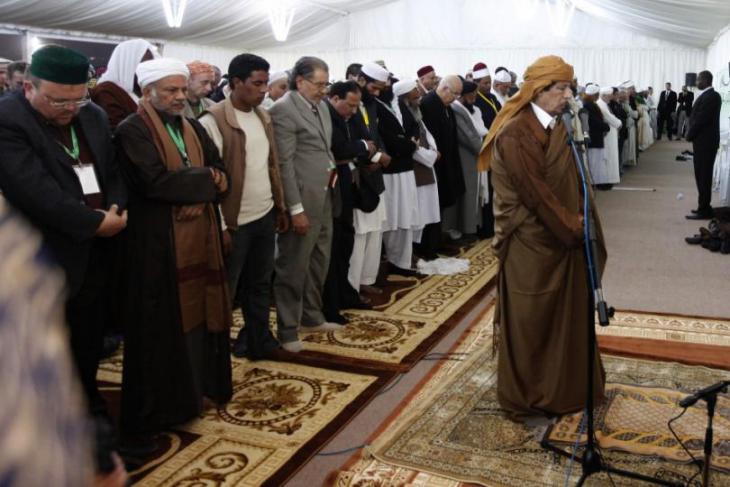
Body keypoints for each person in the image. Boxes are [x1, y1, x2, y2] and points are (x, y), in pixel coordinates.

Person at [0, 44, 128, 424]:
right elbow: (34, 191)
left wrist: (117, 209)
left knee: (87, 339)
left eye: (77, 99)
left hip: (94, 253)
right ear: (29, 88)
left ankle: (88, 410)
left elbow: (113, 168)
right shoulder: (8, 120)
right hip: (41, 256)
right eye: (58, 101)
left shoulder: (93, 115)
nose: (69, 109)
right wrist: (94, 223)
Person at [478, 55, 606, 422]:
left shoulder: (559, 125)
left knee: (564, 314)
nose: (568, 95)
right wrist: (573, 228)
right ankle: (531, 395)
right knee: (533, 319)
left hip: (562, 232)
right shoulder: (517, 132)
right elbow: (535, 194)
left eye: (569, 87)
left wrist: (579, 221)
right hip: (530, 242)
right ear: (538, 89)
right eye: (560, 88)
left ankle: (566, 386)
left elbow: (571, 180)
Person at [115, 58, 232, 436]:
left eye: (183, 89)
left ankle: (201, 388)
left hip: (200, 235)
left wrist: (199, 184)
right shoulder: (132, 131)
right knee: (166, 325)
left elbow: (221, 171)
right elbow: (154, 182)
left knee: (202, 316)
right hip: (158, 245)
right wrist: (202, 183)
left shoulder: (193, 126)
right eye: (171, 90)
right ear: (148, 93)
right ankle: (169, 405)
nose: (181, 97)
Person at [198, 53, 289, 360]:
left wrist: (280, 207)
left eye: (266, 83)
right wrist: (222, 226)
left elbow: (271, 165)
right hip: (233, 222)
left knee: (261, 284)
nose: (264, 90)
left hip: (263, 215)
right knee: (226, 291)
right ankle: (215, 357)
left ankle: (257, 341)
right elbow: (211, 182)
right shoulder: (213, 120)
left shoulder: (263, 115)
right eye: (257, 83)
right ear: (236, 82)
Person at [270, 56, 340, 353]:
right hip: (301, 199)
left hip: (324, 194)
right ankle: (287, 329)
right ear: (300, 81)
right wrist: (294, 208)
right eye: (319, 84)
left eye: (327, 84)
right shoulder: (283, 110)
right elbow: (283, 164)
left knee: (319, 260)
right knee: (293, 265)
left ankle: (312, 315)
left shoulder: (322, 106)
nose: (324, 90)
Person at [324, 80, 376, 320]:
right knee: (334, 247)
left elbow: (366, 142)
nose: (354, 112)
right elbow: (340, 148)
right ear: (335, 99)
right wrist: (362, 146)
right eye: (350, 106)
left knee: (346, 242)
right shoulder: (327, 115)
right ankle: (330, 304)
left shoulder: (349, 115)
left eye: (357, 107)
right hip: (332, 186)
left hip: (348, 183)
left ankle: (346, 294)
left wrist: (361, 146)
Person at [350, 62, 390, 294]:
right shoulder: (347, 101)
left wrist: (382, 155)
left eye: (380, 90)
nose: (376, 94)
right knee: (360, 233)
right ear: (362, 81)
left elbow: (376, 134)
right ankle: (353, 285)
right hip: (359, 176)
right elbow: (349, 140)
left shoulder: (373, 104)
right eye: (374, 88)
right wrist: (375, 159)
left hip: (375, 177)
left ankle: (367, 278)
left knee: (375, 231)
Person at [377, 76, 420, 273]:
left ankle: (402, 260)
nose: (385, 87)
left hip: (406, 169)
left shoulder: (400, 104)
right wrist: (409, 144)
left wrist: (408, 142)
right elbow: (387, 138)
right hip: (389, 172)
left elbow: (413, 129)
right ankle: (391, 259)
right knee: (391, 217)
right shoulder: (376, 106)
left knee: (405, 215)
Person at [396, 79, 441, 261]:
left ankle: (427, 249)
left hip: (427, 168)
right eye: (416, 93)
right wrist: (431, 156)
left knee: (427, 211)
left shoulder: (416, 113)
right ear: (406, 96)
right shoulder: (403, 116)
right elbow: (411, 146)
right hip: (416, 169)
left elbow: (427, 136)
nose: (419, 96)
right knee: (418, 214)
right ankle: (415, 251)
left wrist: (434, 151)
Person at [421, 75, 466, 242]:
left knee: (440, 206)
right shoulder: (429, 104)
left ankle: (436, 242)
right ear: (445, 88)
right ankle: (429, 245)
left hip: (445, 164)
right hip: (434, 166)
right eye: (455, 94)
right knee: (432, 207)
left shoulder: (445, 105)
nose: (456, 98)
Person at [92, 38, 157, 129]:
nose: (147, 70)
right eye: (143, 65)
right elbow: (117, 130)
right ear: (127, 63)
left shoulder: (140, 89)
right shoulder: (105, 91)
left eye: (150, 65)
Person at [451, 79, 486, 239]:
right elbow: (467, 135)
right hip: (466, 157)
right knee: (469, 194)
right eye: (471, 95)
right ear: (463, 95)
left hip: (473, 157)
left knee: (474, 194)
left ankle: (473, 226)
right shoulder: (457, 109)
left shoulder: (468, 108)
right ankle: (468, 229)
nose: (474, 98)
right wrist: (483, 149)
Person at [685, 70, 722, 220]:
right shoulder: (706, 95)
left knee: (704, 176)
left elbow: (701, 119)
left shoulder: (713, 96)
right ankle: (703, 206)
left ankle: (704, 210)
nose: (697, 82)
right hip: (701, 142)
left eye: (699, 79)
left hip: (706, 143)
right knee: (700, 175)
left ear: (706, 80)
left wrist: (689, 134)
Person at [582, 84, 610, 185]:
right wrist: (605, 126)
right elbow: (593, 122)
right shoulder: (588, 106)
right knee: (593, 162)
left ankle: (596, 181)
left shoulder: (590, 104)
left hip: (596, 137)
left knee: (597, 161)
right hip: (593, 137)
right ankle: (593, 182)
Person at [596, 86, 622, 189]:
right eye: (609, 96)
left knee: (611, 157)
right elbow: (609, 117)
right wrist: (619, 123)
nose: (610, 98)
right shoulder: (601, 105)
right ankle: (606, 180)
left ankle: (609, 179)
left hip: (610, 133)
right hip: (607, 135)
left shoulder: (604, 104)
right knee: (607, 158)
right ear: (604, 95)